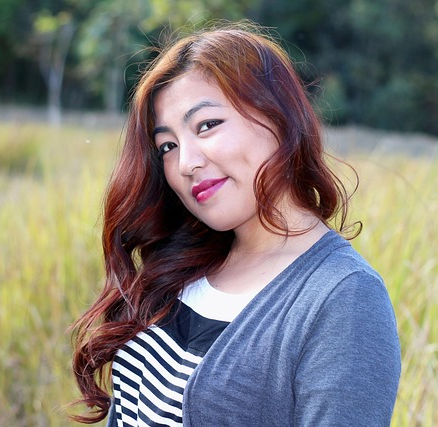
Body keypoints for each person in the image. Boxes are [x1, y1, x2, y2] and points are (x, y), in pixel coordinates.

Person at [71, 20, 401, 427]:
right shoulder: (181, 266)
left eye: (207, 125)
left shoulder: (343, 296)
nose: (186, 163)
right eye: (167, 145)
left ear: (277, 117)